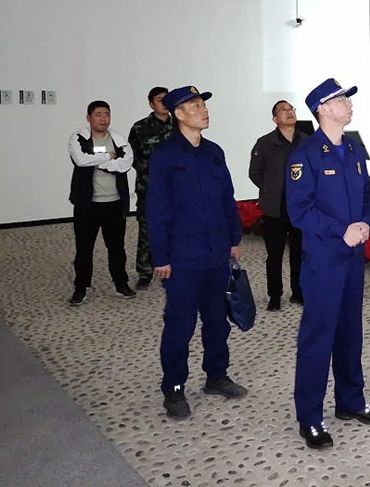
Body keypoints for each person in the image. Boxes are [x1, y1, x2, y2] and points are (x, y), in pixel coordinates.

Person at [286, 78, 370, 449]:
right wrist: (341, 230)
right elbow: (299, 210)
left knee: (350, 331)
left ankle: (350, 399)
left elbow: (367, 196)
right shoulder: (305, 154)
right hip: (323, 260)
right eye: (342, 100)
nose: (349, 104)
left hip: (353, 257)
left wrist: (365, 224)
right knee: (318, 337)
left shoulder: (354, 148)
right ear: (323, 109)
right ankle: (310, 417)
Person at [146, 85, 247, 419]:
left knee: (217, 320)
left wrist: (233, 238)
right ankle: (174, 387)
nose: (204, 110)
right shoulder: (164, 156)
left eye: (204, 105)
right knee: (180, 324)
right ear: (179, 114)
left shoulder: (214, 152)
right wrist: (160, 257)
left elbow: (227, 198)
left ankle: (216, 376)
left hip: (216, 253)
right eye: (196, 106)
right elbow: (156, 209)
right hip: (183, 258)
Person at [67, 100, 136, 306]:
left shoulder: (118, 139)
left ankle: (121, 283)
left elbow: (126, 162)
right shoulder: (79, 138)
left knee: (117, 248)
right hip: (87, 204)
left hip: (114, 203)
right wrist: (108, 156)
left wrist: (102, 162)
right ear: (89, 118)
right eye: (98, 114)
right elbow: (80, 160)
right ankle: (81, 287)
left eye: (106, 114)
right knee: (84, 248)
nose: (103, 118)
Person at [248, 100, 308, 311]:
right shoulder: (265, 143)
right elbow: (255, 173)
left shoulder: (307, 141)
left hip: (300, 206)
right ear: (275, 119)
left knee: (299, 252)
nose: (289, 112)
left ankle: (298, 292)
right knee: (275, 253)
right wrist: (269, 189)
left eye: (291, 109)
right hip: (275, 206)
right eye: (283, 110)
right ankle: (275, 294)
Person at [128, 86, 173, 289]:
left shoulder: (180, 125)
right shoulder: (140, 128)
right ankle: (145, 271)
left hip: (175, 188)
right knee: (147, 228)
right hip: (148, 187)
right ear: (151, 104)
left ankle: (174, 266)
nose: (164, 103)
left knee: (176, 227)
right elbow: (132, 157)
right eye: (159, 99)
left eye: (166, 99)